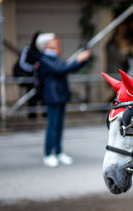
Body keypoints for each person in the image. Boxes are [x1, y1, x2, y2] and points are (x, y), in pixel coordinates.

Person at [36, 33, 91, 167]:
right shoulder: (44, 58)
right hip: (52, 95)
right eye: (51, 41)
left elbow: (68, 68)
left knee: (59, 126)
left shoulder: (55, 56)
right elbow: (61, 69)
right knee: (52, 125)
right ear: (45, 44)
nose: (55, 42)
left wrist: (83, 60)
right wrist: (78, 59)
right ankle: (49, 154)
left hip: (60, 94)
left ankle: (59, 152)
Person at [12, 31, 43, 119]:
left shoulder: (42, 50)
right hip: (31, 79)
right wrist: (33, 68)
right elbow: (22, 63)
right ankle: (32, 116)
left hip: (40, 79)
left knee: (43, 96)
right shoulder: (28, 48)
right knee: (31, 97)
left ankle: (45, 115)